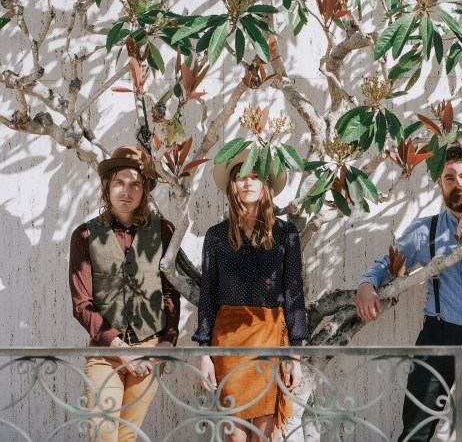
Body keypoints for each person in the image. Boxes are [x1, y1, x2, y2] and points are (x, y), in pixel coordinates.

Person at [355, 144, 462, 442]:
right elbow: (387, 265)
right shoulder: (425, 231)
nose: (457, 182)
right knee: (416, 430)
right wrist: (366, 285)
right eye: (449, 177)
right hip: (437, 338)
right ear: (440, 183)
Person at [193, 150, 309, 442]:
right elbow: (207, 296)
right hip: (228, 343)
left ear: (265, 184)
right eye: (241, 177)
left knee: (265, 436)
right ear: (232, 185)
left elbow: (294, 294)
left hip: (269, 340)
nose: (247, 183)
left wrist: (294, 355)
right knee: (234, 437)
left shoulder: (286, 234)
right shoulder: (216, 236)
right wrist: (204, 353)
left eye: (255, 176)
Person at [69, 145, 181, 441]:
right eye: (119, 182)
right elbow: (82, 304)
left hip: (149, 349)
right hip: (105, 351)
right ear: (107, 186)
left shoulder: (164, 230)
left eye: (135, 184)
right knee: (102, 433)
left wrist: (166, 343)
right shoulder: (84, 235)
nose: (126, 191)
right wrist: (119, 347)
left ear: (144, 191)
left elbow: (170, 292)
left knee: (126, 435)